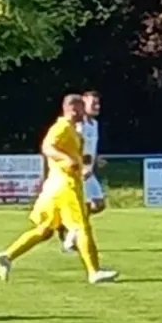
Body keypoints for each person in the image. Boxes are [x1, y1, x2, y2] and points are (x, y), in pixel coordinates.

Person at [0, 94, 119, 284]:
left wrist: (83, 161)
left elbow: (73, 154)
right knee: (81, 227)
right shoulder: (62, 127)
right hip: (65, 185)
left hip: (55, 186)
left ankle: (7, 256)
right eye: (81, 108)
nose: (83, 112)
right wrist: (67, 159)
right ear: (73, 109)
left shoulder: (73, 130)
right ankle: (94, 272)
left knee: (45, 230)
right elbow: (47, 147)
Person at [62, 90, 106, 254]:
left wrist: (96, 158)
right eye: (93, 103)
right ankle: (71, 239)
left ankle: (67, 226)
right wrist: (80, 165)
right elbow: (72, 146)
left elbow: (89, 147)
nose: (97, 106)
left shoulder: (94, 124)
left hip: (89, 172)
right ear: (83, 104)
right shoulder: (78, 125)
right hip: (79, 172)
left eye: (98, 103)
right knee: (85, 207)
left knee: (99, 205)